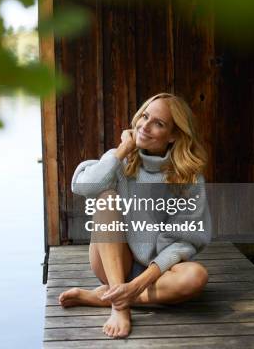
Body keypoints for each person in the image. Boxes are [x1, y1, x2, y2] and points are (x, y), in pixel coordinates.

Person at [58, 92, 212, 339]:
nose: (145, 126)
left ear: (173, 136)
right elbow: (83, 187)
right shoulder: (119, 160)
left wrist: (141, 282)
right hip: (113, 262)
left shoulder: (188, 178)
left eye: (158, 123)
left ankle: (105, 297)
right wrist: (121, 151)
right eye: (144, 116)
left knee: (196, 276)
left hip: (158, 273)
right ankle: (120, 306)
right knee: (106, 199)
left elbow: (187, 240)